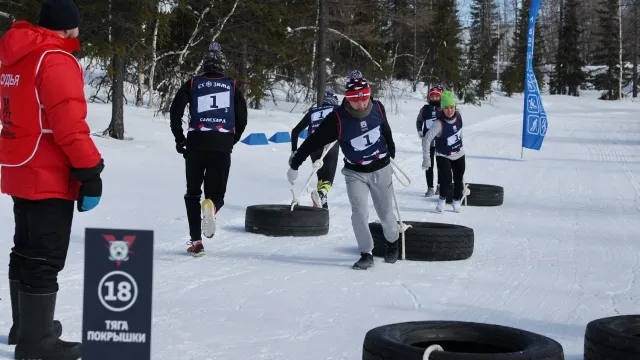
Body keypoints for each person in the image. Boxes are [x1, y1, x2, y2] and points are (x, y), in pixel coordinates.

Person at [0, 1, 104, 358]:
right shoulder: (56, 59)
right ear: (69, 28)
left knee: (25, 247)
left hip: (19, 165)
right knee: (45, 255)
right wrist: (91, 171)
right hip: (47, 171)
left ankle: (25, 327)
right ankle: (36, 342)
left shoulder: (17, 55)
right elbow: (69, 126)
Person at [288, 70, 399, 270]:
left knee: (385, 213)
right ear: (348, 99)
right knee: (359, 213)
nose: (362, 104)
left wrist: (391, 148)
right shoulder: (337, 118)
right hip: (355, 172)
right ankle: (366, 253)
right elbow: (314, 140)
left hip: (381, 168)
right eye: (356, 101)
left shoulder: (378, 108)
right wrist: (295, 163)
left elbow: (385, 129)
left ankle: (392, 242)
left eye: (364, 99)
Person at [170, 41, 248, 257]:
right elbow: (242, 118)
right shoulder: (232, 86)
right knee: (217, 194)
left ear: (205, 66)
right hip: (221, 144)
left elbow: (175, 110)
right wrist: (232, 139)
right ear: (222, 66)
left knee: (192, 194)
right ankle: (212, 207)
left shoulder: (193, 83)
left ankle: (196, 242)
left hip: (195, 143)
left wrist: (179, 138)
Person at [290, 88, 340, 208]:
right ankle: (321, 194)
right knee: (328, 179)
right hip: (330, 145)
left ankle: (323, 204)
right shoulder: (337, 110)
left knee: (321, 175)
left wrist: (294, 151)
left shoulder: (313, 111)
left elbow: (295, 131)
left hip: (313, 145)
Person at [421, 90, 465, 213]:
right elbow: (426, 140)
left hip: (459, 154)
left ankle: (456, 201)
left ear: (455, 107)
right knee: (447, 179)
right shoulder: (438, 123)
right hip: (443, 155)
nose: (449, 110)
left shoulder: (459, 117)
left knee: (458, 178)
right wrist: (426, 159)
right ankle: (441, 201)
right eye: (446, 108)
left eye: (451, 107)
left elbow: (459, 133)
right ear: (442, 109)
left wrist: (460, 146)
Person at [416, 85, 443, 197]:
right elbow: (419, 121)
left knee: (441, 165)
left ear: (440, 97)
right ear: (429, 97)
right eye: (432, 96)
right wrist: (419, 131)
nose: (434, 98)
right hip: (428, 142)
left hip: (441, 141)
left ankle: (439, 186)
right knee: (429, 164)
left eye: (437, 96)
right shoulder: (425, 109)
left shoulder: (443, 109)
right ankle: (430, 188)